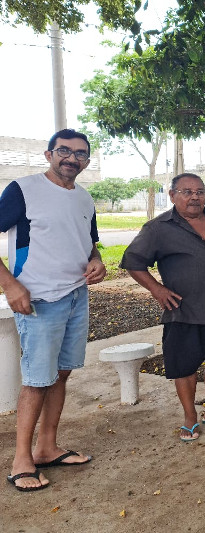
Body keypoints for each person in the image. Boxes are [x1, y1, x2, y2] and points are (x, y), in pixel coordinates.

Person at [1, 129, 105, 491]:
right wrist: (10, 284)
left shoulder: (83, 197)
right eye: (64, 151)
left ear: (86, 162)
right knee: (36, 380)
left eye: (80, 154)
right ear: (49, 154)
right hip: (40, 299)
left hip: (76, 295)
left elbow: (90, 243)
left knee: (61, 374)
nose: (72, 158)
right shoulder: (23, 189)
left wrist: (97, 261)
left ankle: (47, 448)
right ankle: (20, 461)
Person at [120, 173, 205, 442]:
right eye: (187, 192)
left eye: (200, 192)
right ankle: (190, 418)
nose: (195, 197)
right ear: (172, 195)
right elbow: (133, 261)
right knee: (185, 366)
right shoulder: (158, 228)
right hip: (184, 310)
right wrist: (157, 289)